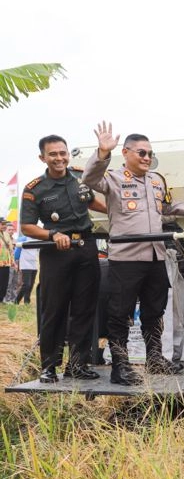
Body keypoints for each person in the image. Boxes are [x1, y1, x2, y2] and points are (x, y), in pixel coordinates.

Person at [82, 121, 184, 385]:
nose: (147, 158)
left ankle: (154, 359)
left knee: (155, 310)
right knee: (120, 314)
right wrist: (103, 153)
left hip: (155, 256)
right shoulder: (114, 179)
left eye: (150, 153)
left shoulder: (155, 181)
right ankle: (120, 366)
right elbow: (89, 179)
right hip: (126, 258)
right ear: (126, 153)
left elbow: (164, 208)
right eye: (141, 152)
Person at [20, 134, 105, 383]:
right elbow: (26, 226)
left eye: (62, 153)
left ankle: (78, 365)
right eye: (53, 154)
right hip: (56, 252)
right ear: (43, 158)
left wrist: (117, 209)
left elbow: (92, 203)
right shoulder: (35, 188)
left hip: (86, 247)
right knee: (54, 309)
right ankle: (49, 366)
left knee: (84, 308)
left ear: (68, 154)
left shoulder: (80, 177)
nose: (59, 158)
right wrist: (52, 233)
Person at [14, 234, 38, 304]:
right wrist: (16, 261)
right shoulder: (23, 239)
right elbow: (17, 251)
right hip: (25, 264)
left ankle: (26, 301)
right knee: (26, 284)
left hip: (34, 264)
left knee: (31, 284)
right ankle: (16, 301)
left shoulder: (37, 239)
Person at [0, 219, 12, 302]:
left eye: (5, 224)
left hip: (6, 262)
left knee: (4, 282)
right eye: (2, 224)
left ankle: (1, 299)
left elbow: (10, 249)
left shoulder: (6, 234)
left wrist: (13, 261)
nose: (4, 226)